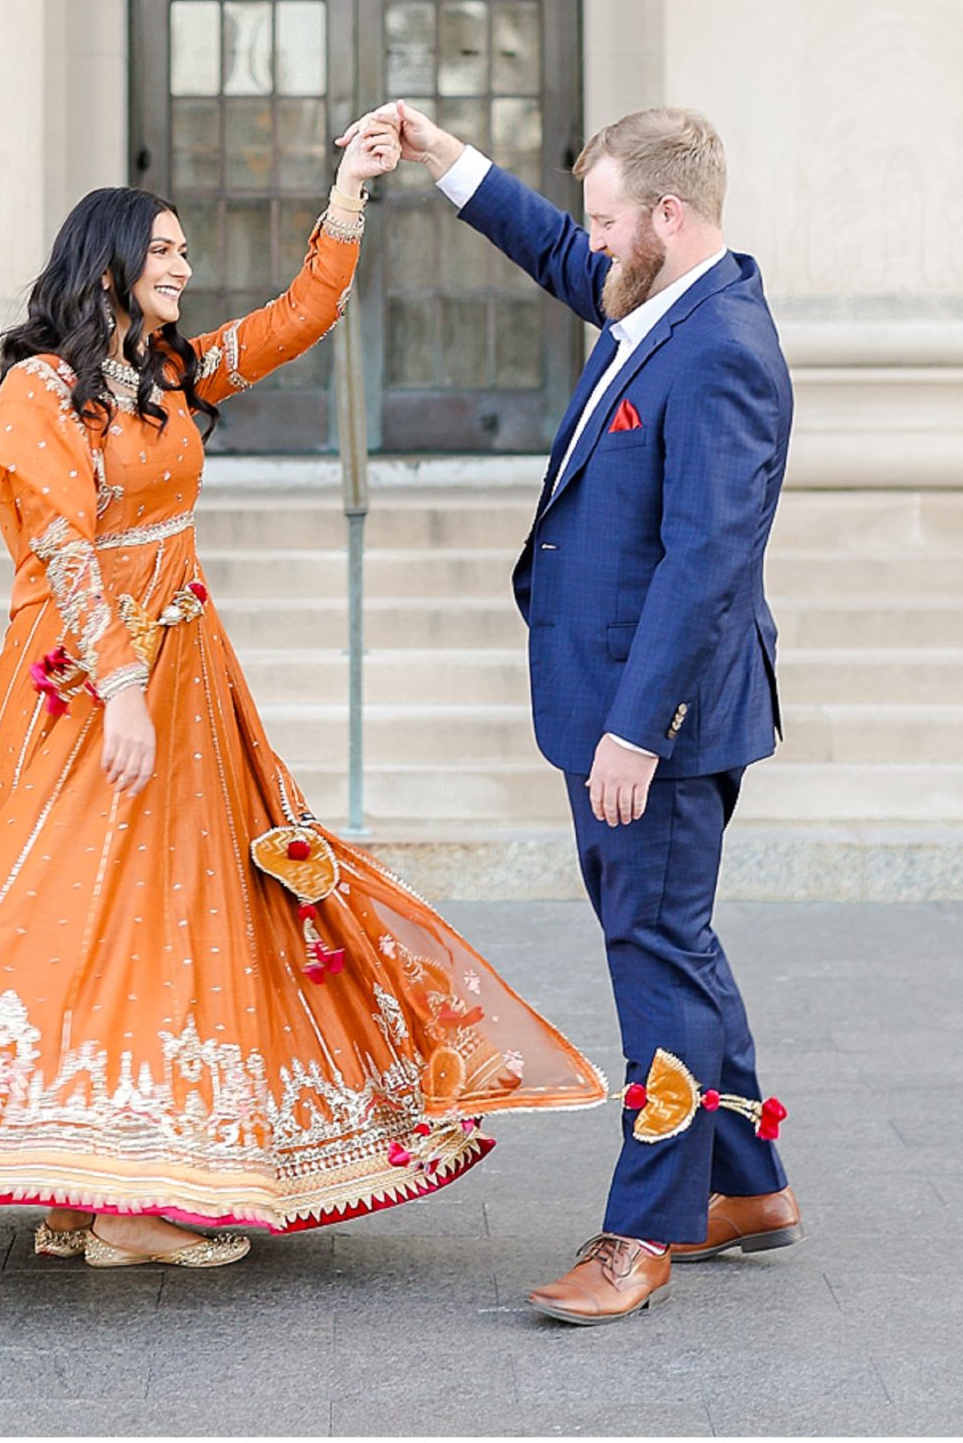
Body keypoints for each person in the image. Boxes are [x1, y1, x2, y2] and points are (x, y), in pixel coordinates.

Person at [0, 118, 603, 1265]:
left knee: (157, 914)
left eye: (185, 250)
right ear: (109, 265)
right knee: (69, 908)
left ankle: (101, 1185)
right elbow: (65, 550)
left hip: (186, 671)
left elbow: (299, 317)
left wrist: (349, 193)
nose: (184, 266)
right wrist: (123, 690)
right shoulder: (42, 391)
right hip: (81, 683)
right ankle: (115, 1197)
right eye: (167, 250)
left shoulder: (173, 374)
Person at [341, 98, 800, 1324]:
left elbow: (711, 561)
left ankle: (645, 1229)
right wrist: (444, 159)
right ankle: (745, 1184)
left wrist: (637, 729)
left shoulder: (724, 350)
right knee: (676, 940)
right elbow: (556, 249)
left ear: (667, 214)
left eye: (605, 219)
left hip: (659, 718)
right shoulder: (650, 292)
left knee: (653, 956)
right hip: (610, 693)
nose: (587, 244)